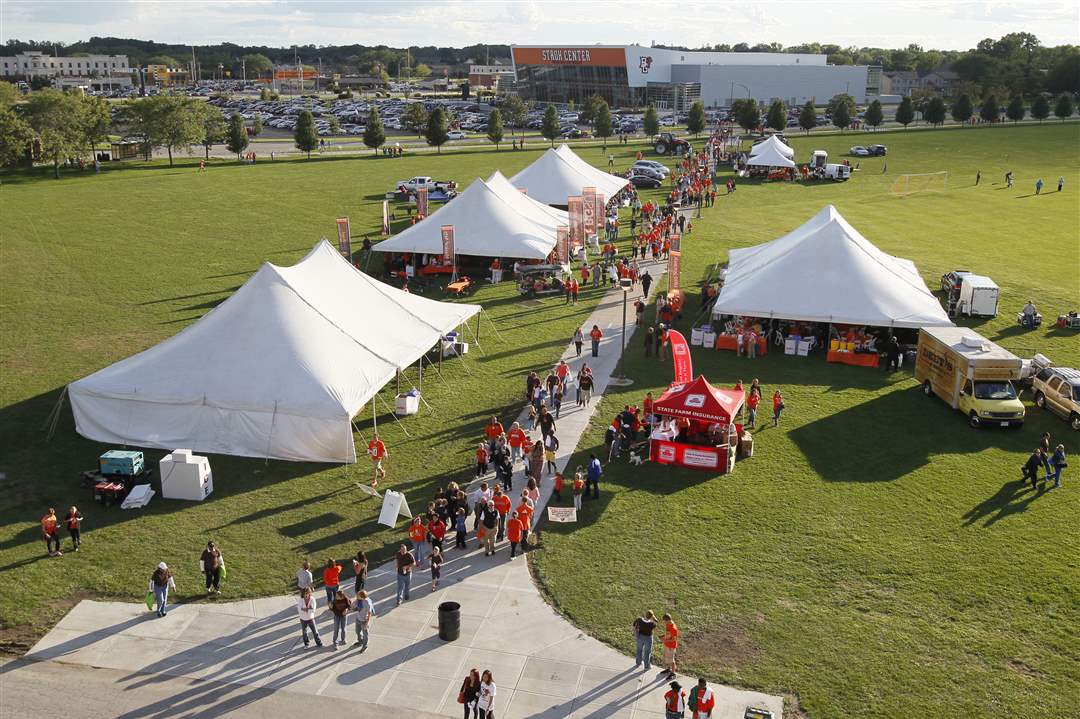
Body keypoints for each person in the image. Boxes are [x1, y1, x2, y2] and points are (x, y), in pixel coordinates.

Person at [662, 613, 680, 678]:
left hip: (671, 646)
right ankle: (668, 669)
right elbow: (668, 634)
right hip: (667, 644)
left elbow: (674, 639)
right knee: (666, 658)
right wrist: (663, 636)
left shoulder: (673, 628)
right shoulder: (668, 624)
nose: (664, 622)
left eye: (664, 621)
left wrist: (665, 640)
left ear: (668, 620)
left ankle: (673, 673)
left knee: (671, 660)